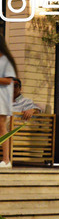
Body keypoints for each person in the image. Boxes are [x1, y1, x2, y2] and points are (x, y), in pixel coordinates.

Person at [0, 34, 17, 168]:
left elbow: (9, 80)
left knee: (2, 128)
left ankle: (6, 159)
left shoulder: (6, 61)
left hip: (2, 100)